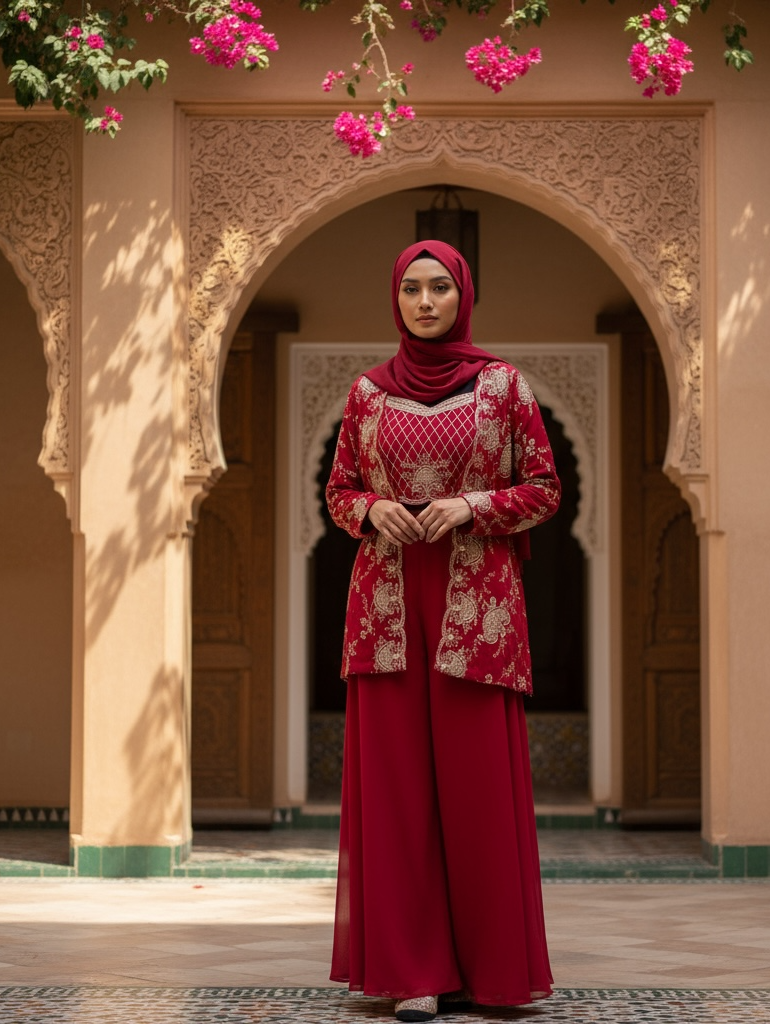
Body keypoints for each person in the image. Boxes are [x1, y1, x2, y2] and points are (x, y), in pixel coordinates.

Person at [326, 239, 559, 1022]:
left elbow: (544, 488)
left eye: (439, 290)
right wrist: (368, 510)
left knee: (476, 789)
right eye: (411, 290)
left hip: (475, 611)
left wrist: (473, 507)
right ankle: (412, 972)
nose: (425, 303)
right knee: (396, 792)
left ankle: (494, 974)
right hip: (388, 607)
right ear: (395, 299)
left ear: (463, 296)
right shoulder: (365, 394)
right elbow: (339, 490)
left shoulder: (503, 387)